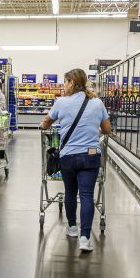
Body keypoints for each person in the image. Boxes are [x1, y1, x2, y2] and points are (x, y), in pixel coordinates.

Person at [40, 68, 111, 252]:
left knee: (70, 192)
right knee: (87, 195)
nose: (63, 86)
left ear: (72, 83)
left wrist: (44, 124)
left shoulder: (61, 102)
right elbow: (107, 129)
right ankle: (85, 238)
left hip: (68, 157)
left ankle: (72, 228)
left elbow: (46, 122)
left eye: (65, 82)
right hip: (91, 155)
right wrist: (93, 130)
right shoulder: (97, 102)